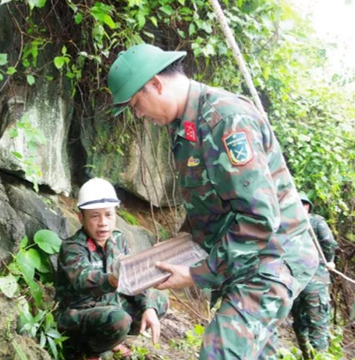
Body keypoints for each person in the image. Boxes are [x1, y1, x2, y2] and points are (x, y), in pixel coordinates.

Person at [107, 43, 320, 359]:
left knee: (220, 351)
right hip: (244, 258)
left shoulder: (225, 119)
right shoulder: (187, 128)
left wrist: (196, 274)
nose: (138, 115)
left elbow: (259, 218)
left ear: (155, 83)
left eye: (136, 103)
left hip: (273, 256)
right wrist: (171, 250)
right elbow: (207, 207)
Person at [55, 178, 169, 360]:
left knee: (159, 300)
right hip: (77, 316)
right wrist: (113, 279)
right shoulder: (72, 247)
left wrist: (148, 307)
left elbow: (134, 278)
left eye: (108, 215)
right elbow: (82, 280)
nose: (103, 223)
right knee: (118, 319)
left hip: (111, 307)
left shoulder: (118, 239)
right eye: (94, 216)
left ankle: (111, 341)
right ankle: (89, 352)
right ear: (80, 217)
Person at [291, 192, 338, 359]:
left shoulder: (285, 224)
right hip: (315, 282)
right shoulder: (316, 220)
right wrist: (329, 260)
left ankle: (307, 355)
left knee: (300, 324)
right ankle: (318, 356)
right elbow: (329, 242)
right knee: (318, 326)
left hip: (294, 282)